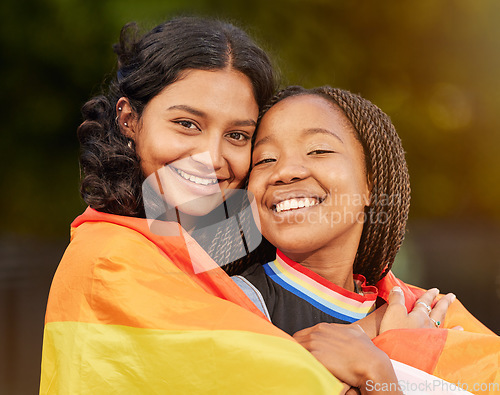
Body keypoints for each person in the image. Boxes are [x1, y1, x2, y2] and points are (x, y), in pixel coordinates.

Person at [40, 17, 406, 394]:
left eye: (236, 135)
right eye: (187, 124)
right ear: (130, 119)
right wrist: (378, 339)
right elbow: (278, 379)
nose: (211, 157)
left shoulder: (206, 256)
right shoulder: (108, 262)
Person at [234, 85, 500, 393]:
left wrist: (381, 364)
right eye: (265, 159)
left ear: (370, 184)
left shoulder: (434, 314)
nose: (286, 171)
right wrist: (385, 363)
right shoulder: (236, 302)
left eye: (319, 150)